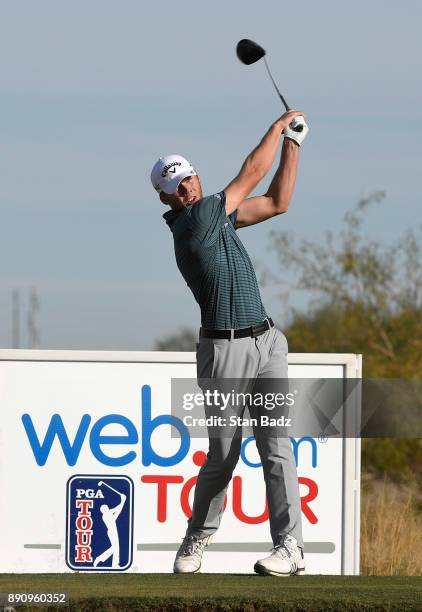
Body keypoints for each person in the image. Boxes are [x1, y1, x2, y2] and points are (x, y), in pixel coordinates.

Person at [150, 110, 309, 576]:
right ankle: (197, 537)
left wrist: (294, 145)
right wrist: (279, 127)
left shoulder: (219, 218)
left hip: (267, 341)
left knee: (277, 445)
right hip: (224, 351)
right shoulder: (194, 223)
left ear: (196, 177)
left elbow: (278, 201)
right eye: (176, 187)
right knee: (225, 451)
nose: (187, 189)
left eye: (190, 179)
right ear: (164, 196)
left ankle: (290, 547)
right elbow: (252, 173)